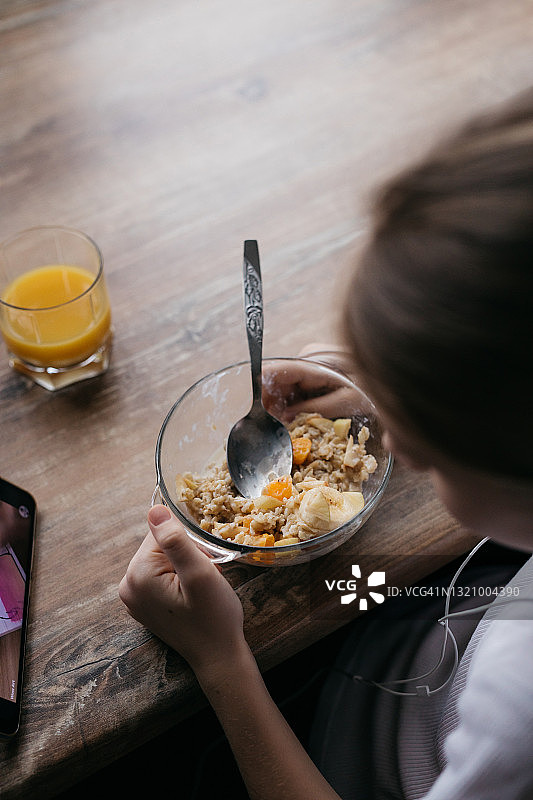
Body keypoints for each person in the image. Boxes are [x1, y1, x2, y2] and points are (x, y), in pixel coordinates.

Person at [119, 87, 533, 799]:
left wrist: (220, 660)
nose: (393, 439)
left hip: (365, 749)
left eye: (423, 446)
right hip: (448, 619)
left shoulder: (516, 701)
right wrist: (412, 370)